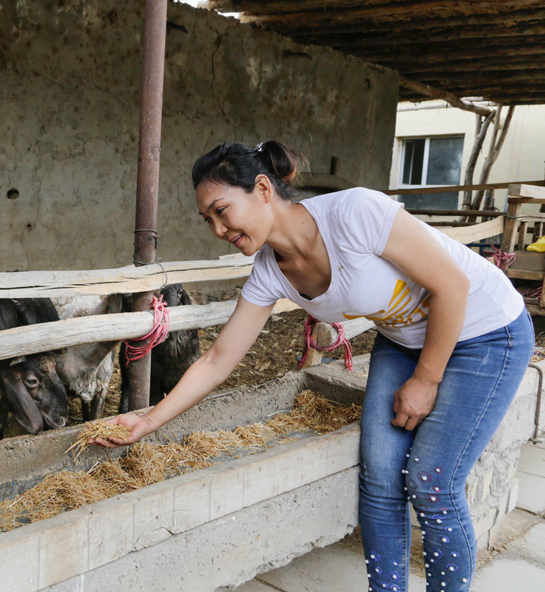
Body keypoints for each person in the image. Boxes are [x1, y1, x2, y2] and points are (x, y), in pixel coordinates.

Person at [91, 141, 533, 592]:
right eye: (208, 220)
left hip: (485, 331)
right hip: (404, 341)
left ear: (263, 188)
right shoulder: (269, 271)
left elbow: (453, 286)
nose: (218, 229)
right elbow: (217, 360)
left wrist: (426, 380)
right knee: (380, 479)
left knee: (432, 481)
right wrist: (148, 421)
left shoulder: (355, 213)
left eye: (222, 211)